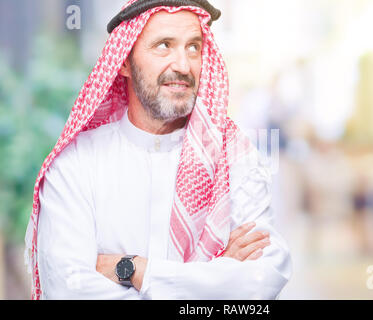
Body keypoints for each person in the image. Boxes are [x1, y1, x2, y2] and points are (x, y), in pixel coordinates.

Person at [24, 0, 292, 300]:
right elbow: (68, 291)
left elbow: (263, 280)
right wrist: (214, 277)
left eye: (193, 47)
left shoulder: (236, 158)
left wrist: (135, 270)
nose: (183, 64)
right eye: (164, 45)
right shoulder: (75, 164)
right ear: (124, 61)